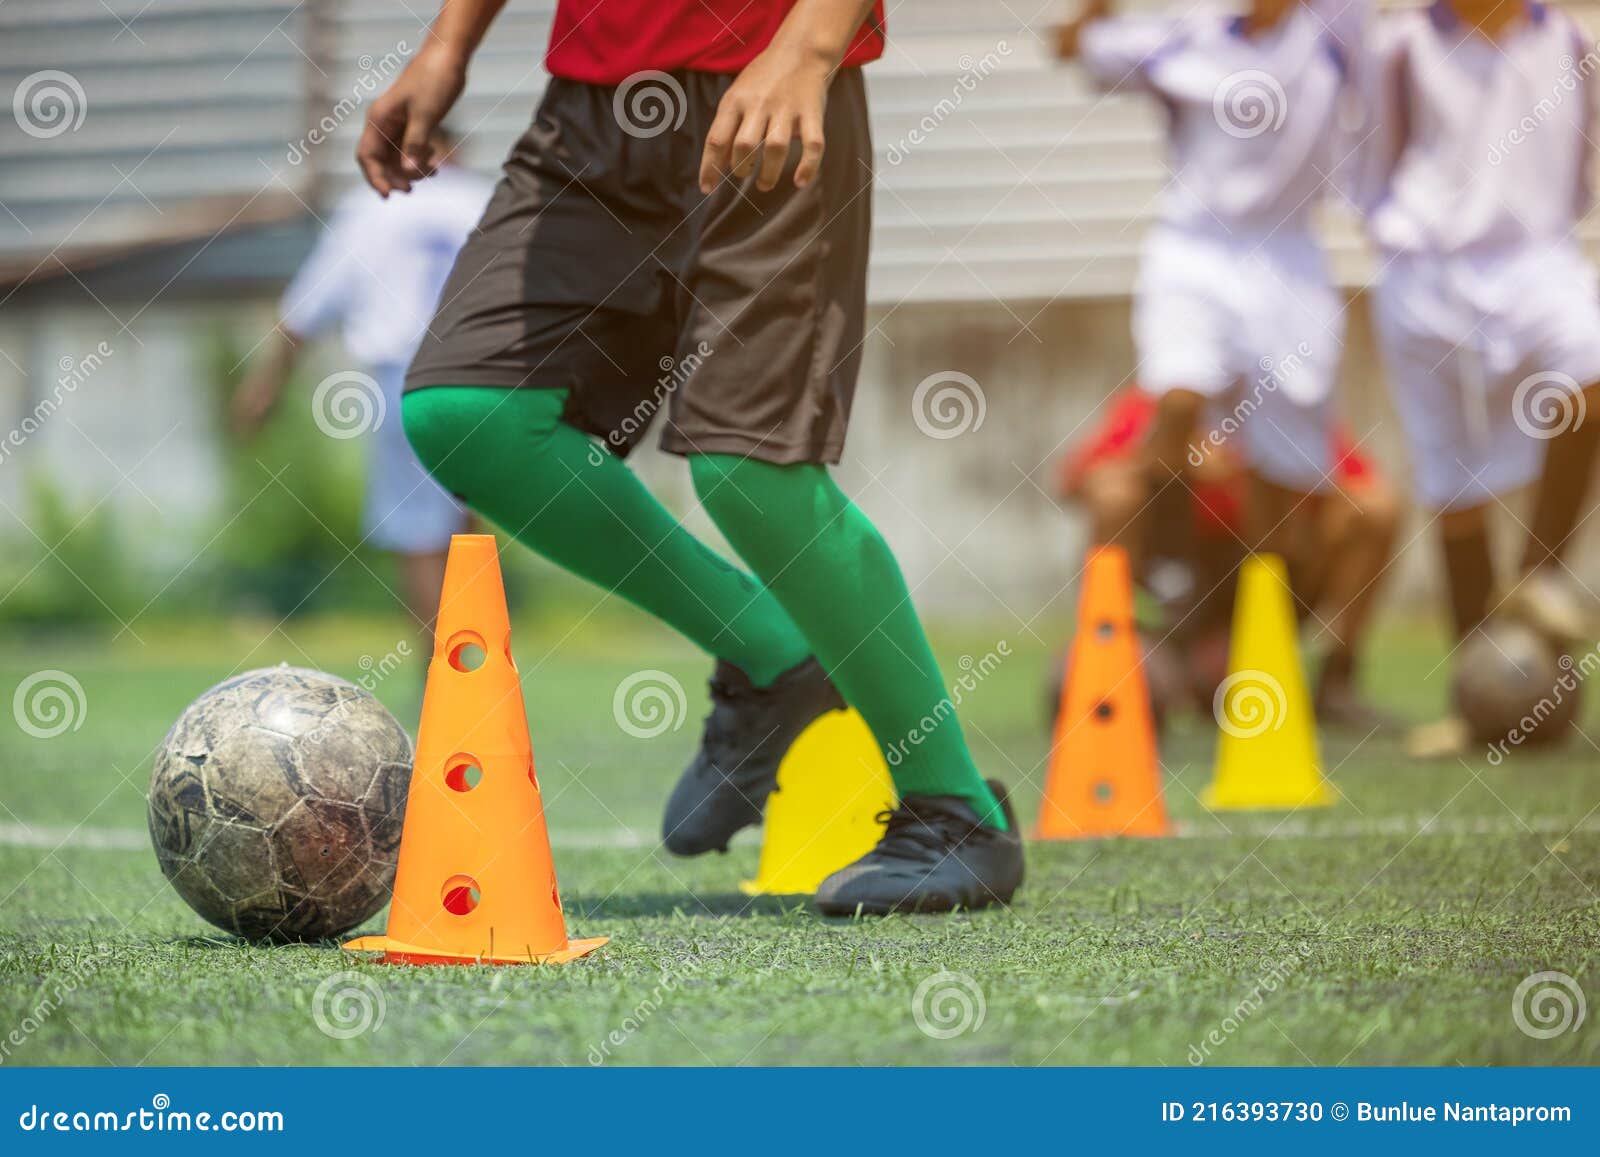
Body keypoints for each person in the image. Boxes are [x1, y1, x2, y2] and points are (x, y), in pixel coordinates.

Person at [355, 0, 1024, 915]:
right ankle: (772, 656)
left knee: (748, 469)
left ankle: (958, 814)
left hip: (767, 79)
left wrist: (810, 45)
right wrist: (446, 45)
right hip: (591, 102)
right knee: (466, 411)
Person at [1053, 0, 1370, 642]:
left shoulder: (1336, 30)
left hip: (1290, 255)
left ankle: (1256, 634)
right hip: (1194, 244)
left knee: (1282, 471)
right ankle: (1168, 576)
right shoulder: (1189, 30)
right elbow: (1074, 48)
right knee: (1177, 394)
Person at [1360, 0, 1600, 672]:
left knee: (1590, 365)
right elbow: (1373, 168)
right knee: (1453, 480)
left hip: (1536, 259)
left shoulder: (1567, 41)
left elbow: (1578, 171)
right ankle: (1477, 674)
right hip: (1425, 275)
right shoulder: (1403, 46)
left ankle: (1536, 574)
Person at [232, 126, 490, 660]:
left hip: (408, 378)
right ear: (455, 148)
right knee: (471, 528)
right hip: (488, 377)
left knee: (420, 537)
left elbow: (303, 310)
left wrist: (264, 388)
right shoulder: (482, 198)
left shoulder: (371, 207)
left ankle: (443, 675)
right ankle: (482, 668)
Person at [1056, 385, 1401, 729]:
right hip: (1173, 575)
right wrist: (1168, 463)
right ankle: (1107, 661)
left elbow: (1364, 486)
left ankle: (1335, 679)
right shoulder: (1157, 399)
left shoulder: (1289, 402)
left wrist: (1265, 473)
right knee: (1114, 495)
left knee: (1372, 509)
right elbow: (1074, 480)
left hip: (1269, 568)